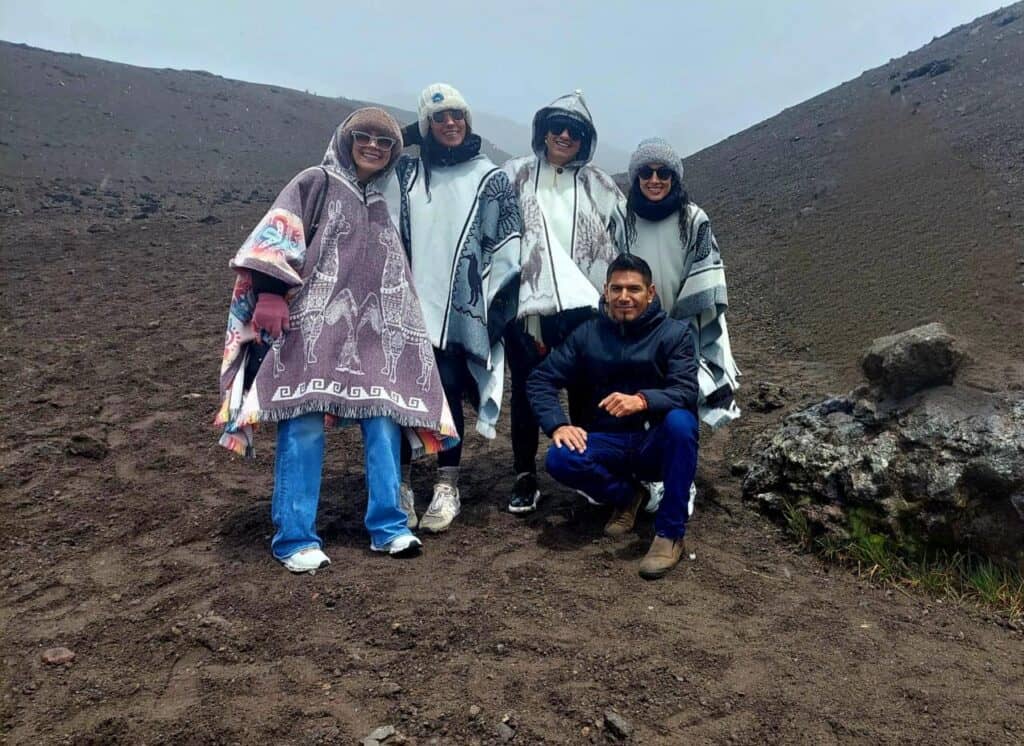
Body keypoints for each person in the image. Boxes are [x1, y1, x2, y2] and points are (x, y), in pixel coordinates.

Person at [215, 107, 459, 573]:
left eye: (384, 142)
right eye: (364, 137)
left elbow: (394, 276)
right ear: (346, 140)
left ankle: (388, 527)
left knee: (383, 420)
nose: (374, 146)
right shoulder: (315, 182)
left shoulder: (378, 203)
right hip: (308, 329)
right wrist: (269, 295)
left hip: (371, 338)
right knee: (303, 422)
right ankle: (294, 536)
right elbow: (277, 233)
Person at [386, 83, 521, 532]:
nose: (450, 124)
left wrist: (494, 312)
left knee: (446, 389)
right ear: (425, 125)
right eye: (439, 118)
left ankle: (447, 484)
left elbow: (507, 247)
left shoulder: (490, 176)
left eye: (458, 116)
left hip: (460, 309)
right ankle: (399, 485)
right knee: (397, 398)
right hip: (404, 306)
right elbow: (357, 161)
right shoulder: (405, 173)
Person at [526, 254, 699, 579]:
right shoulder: (586, 335)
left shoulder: (674, 334)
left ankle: (670, 533)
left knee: (681, 422)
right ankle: (628, 496)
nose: (624, 296)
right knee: (559, 458)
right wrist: (558, 423)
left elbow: (687, 390)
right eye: (616, 288)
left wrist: (643, 400)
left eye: (633, 289)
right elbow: (540, 379)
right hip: (608, 443)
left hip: (654, 444)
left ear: (651, 292)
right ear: (605, 291)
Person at [502, 90, 626, 514]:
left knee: (585, 386)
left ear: (585, 137)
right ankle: (524, 474)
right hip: (527, 308)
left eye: (574, 130)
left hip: (582, 309)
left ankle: (583, 469)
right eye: (556, 127)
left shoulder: (599, 184)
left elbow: (622, 237)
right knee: (526, 388)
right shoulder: (514, 174)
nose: (564, 135)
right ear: (543, 130)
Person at [623, 137, 741, 516]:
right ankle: (654, 478)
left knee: (680, 403)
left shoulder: (693, 220)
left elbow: (705, 273)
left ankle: (681, 482)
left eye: (663, 172)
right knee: (642, 401)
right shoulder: (622, 218)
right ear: (636, 176)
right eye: (646, 172)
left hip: (683, 326)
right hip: (636, 327)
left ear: (675, 177)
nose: (654, 179)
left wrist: (674, 328)